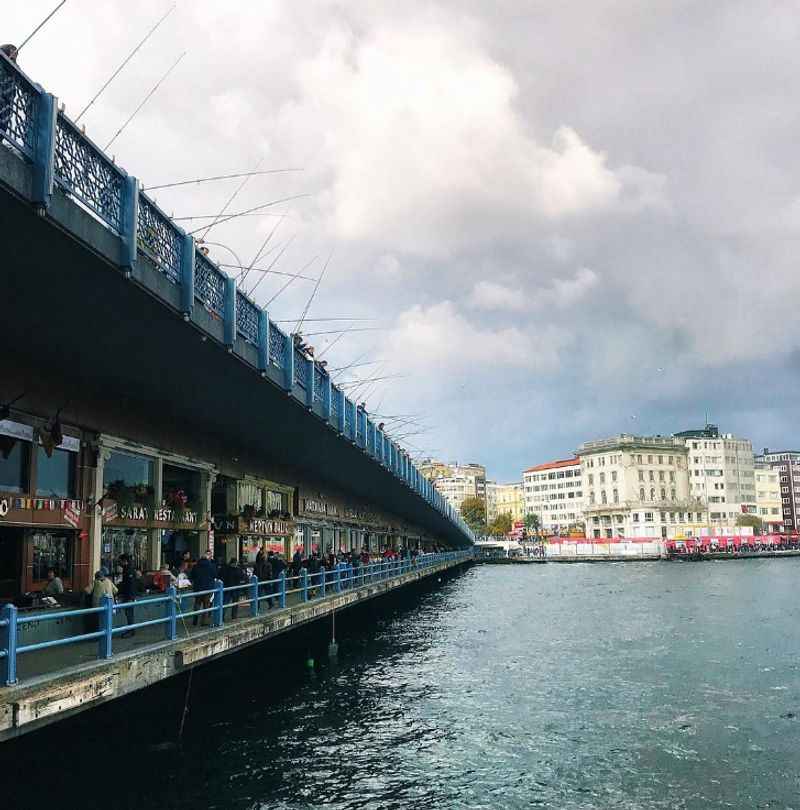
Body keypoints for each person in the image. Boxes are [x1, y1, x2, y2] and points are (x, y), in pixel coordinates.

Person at [189, 549, 217, 627]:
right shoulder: (211, 566)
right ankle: (203, 621)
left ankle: (195, 619)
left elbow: (192, 576)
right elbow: (215, 575)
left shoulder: (196, 566)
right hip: (208, 588)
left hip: (198, 588)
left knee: (197, 603)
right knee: (206, 605)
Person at [118, 555, 137, 638]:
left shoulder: (128, 570)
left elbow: (128, 584)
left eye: (120, 561)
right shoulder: (129, 569)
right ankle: (131, 630)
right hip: (130, 596)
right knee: (129, 613)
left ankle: (131, 630)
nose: (119, 563)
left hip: (128, 596)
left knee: (129, 613)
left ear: (124, 560)